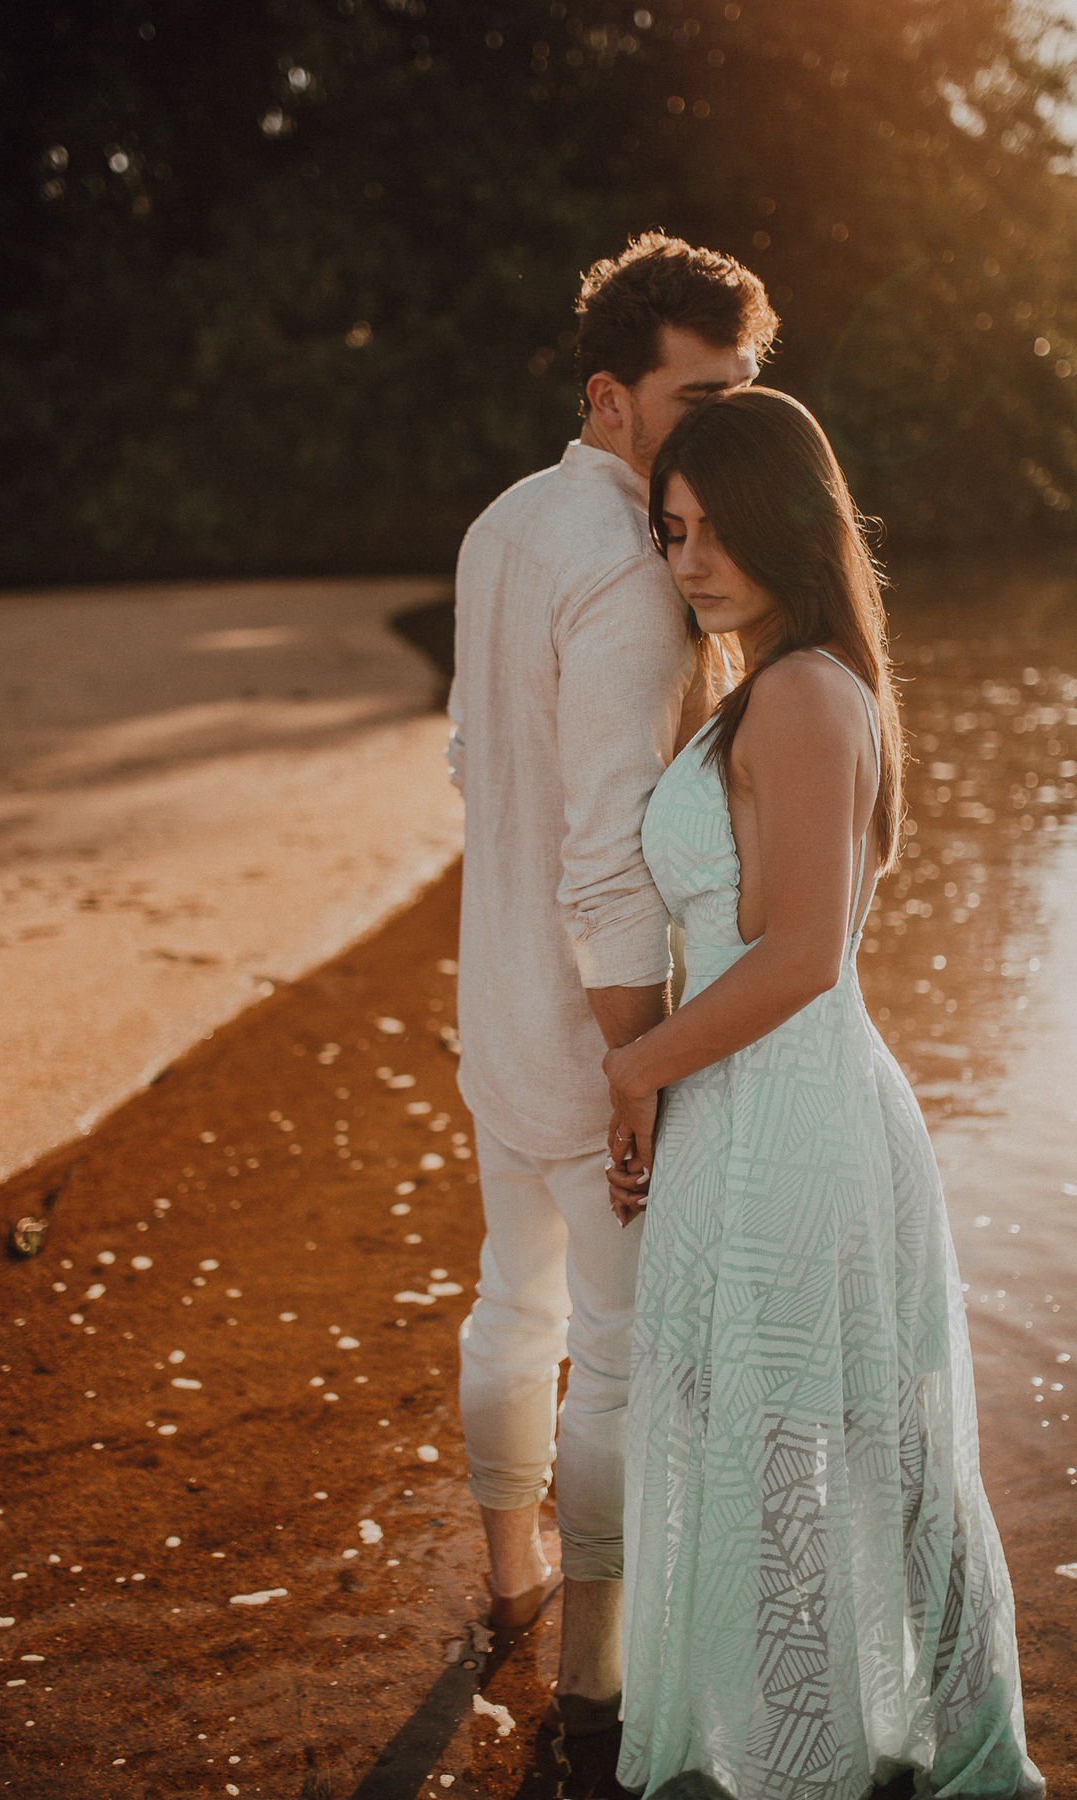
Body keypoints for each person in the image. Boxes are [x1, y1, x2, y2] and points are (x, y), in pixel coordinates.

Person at [604, 387, 1043, 1798]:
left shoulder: (800, 692)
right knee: (808, 1452)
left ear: (792, 520)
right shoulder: (791, 681)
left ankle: (822, 1759)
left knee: (797, 1453)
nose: (690, 560)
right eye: (673, 531)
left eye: (718, 528)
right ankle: (839, 1740)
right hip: (759, 1111)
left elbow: (798, 955)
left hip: (789, 1121)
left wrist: (634, 1068)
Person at [446, 235, 778, 1732]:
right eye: (700, 397)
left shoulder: (500, 523)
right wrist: (634, 1067)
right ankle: (590, 1670)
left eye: (743, 393)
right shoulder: (638, 576)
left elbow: (471, 761)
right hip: (592, 1026)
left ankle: (508, 1582)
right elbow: (608, 852)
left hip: (494, 1005)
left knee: (509, 1302)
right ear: (610, 396)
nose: (726, 423)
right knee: (624, 1359)